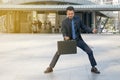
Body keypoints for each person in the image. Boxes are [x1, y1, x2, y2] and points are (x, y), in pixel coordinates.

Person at [44, 6, 100, 74]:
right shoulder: (64, 22)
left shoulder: (78, 19)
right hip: (69, 41)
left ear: (74, 13)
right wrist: (65, 36)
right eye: (69, 14)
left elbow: (84, 27)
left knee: (90, 51)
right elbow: (63, 31)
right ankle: (50, 67)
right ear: (66, 13)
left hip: (78, 40)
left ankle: (93, 67)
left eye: (72, 13)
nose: (70, 15)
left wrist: (92, 30)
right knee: (58, 52)